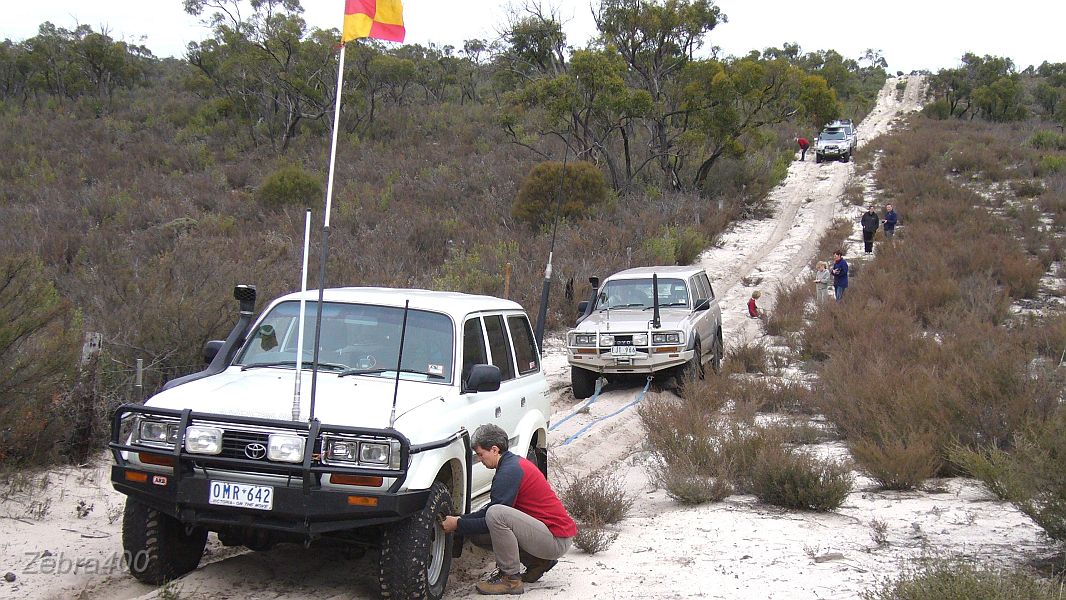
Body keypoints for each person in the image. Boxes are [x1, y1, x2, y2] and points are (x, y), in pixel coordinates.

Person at [442, 424, 576, 595]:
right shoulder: (511, 464)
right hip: (548, 535)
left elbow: (493, 515)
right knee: (480, 533)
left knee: (496, 514)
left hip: (556, 540)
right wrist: (461, 520)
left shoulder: (508, 472)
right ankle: (538, 562)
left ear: (494, 449)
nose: (479, 459)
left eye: (481, 454)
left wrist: (458, 525)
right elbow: (488, 514)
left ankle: (510, 580)